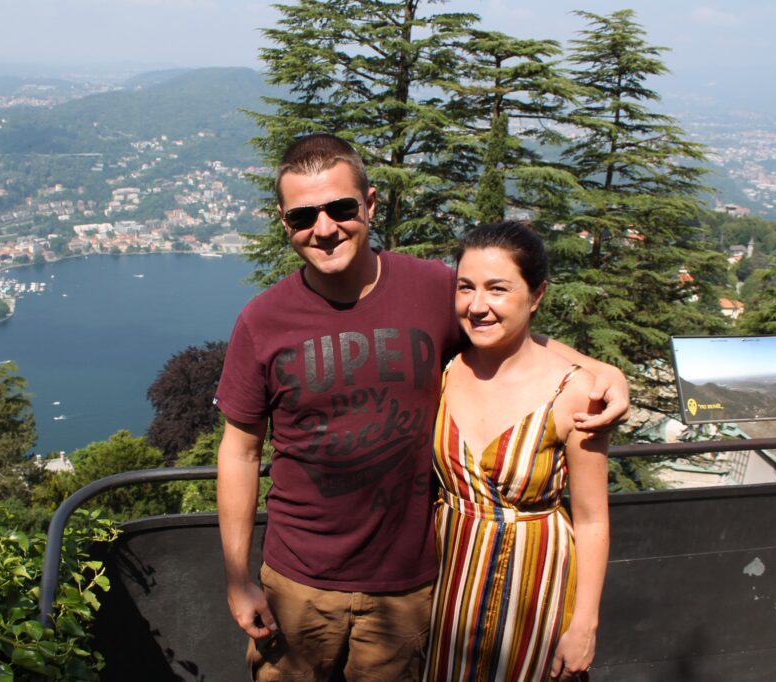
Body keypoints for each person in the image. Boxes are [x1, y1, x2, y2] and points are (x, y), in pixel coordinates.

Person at [215, 134, 624, 681]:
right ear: (283, 222)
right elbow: (239, 453)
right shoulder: (262, 321)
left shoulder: (435, 287)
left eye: (341, 208)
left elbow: (508, 329)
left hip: (408, 586)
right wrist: (239, 578)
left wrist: (601, 372)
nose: (325, 228)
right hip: (297, 582)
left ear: (371, 204)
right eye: (303, 216)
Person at [424, 222, 610, 682]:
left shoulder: (574, 392)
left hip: (535, 591)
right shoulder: (444, 370)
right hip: (445, 587)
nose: (477, 305)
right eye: (465, 287)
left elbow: (592, 519)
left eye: (498, 289)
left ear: (536, 295)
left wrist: (584, 623)